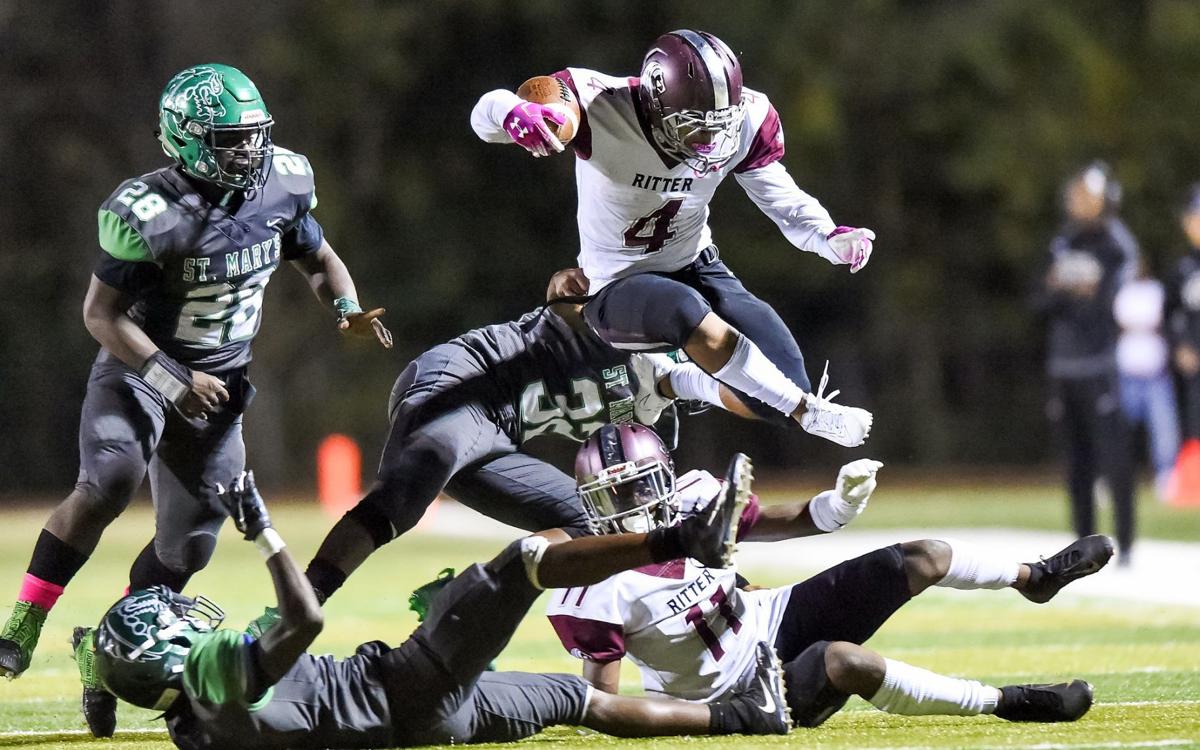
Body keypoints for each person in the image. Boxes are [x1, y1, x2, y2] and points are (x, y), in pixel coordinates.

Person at [0, 64, 390, 732]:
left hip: (220, 387)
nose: (249, 151)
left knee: (190, 549)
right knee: (108, 482)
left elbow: (319, 259)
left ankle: (102, 646)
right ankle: (21, 628)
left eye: (253, 136)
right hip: (141, 373)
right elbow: (100, 314)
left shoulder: (283, 183)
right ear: (184, 140)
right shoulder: (149, 212)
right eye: (229, 139)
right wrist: (170, 376)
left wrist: (345, 306)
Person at [84, 469, 793, 749]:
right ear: (178, 657)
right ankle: (681, 537)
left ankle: (743, 716)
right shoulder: (215, 677)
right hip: (411, 680)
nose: (197, 623)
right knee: (524, 562)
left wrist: (99, 699)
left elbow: (106, 653)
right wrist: (264, 532)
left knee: (585, 703)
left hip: (423, 728)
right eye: (182, 630)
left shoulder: (192, 727)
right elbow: (304, 621)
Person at [546, 423, 1110, 727]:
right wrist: (714, 718)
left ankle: (1034, 577)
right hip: (738, 689)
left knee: (922, 555)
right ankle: (1009, 702)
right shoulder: (597, 582)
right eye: (614, 492)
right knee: (843, 660)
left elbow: (773, 521)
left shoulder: (698, 497)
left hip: (768, 619)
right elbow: (607, 705)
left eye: (640, 484)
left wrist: (836, 507)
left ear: (666, 478)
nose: (632, 502)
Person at [471, 29, 874, 448]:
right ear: (655, 104)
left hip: (696, 264)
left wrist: (826, 234)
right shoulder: (601, 105)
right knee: (687, 311)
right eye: (694, 125)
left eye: (720, 124)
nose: (711, 139)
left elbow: (780, 197)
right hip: (616, 286)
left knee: (782, 381)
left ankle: (679, 381)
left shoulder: (747, 117)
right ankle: (809, 412)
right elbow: (488, 112)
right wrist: (511, 112)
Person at [304, 286, 756, 608]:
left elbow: (730, 391)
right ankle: (292, 612)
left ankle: (464, 596)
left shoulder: (664, 392)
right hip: (463, 379)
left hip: (498, 433)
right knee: (406, 493)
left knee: (595, 527)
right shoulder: (633, 328)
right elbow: (567, 285)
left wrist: (786, 399)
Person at [1034, 161, 1139, 566]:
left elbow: (1103, 308)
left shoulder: (1117, 245)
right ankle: (1082, 547)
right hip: (1064, 367)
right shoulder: (1063, 240)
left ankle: (1126, 544)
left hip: (1101, 365)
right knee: (1075, 464)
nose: (1078, 203)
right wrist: (1072, 294)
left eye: (1087, 196)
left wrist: (1070, 294)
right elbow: (1040, 300)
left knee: (1114, 460)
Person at [1114, 261, 1180, 500]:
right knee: (1118, 431)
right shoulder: (1122, 291)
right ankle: (1114, 477)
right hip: (1128, 372)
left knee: (1163, 431)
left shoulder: (1156, 290)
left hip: (1155, 372)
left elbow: (1161, 318)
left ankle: (1166, 478)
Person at [1167, 185, 1200, 441]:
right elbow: (1170, 313)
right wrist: (1180, 346)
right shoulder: (1182, 269)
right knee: (1194, 424)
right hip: (1195, 360)